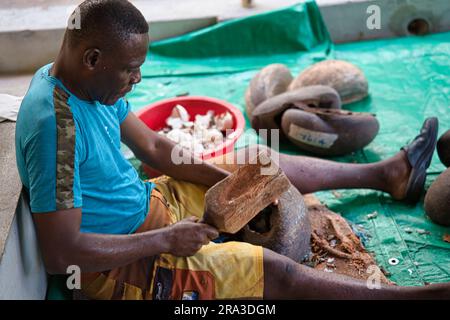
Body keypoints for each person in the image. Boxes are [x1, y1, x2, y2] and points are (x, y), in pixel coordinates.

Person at [15, 0, 448, 300]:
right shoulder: (58, 130)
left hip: (150, 203)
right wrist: (167, 239)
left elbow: (153, 146)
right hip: (116, 269)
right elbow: (62, 253)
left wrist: (232, 183)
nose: (138, 80)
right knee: (276, 273)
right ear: (92, 58)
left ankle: (388, 175)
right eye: (131, 70)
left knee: (261, 164)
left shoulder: (80, 83)